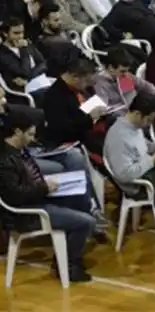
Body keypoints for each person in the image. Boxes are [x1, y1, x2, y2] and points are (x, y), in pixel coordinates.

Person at [0, 112, 96, 282]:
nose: (32, 139)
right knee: (86, 222)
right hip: (27, 213)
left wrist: (45, 186)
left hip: (36, 199)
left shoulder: (19, 151)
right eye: (29, 134)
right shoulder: (5, 160)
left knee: (79, 198)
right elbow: (16, 196)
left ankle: (66, 257)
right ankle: (68, 264)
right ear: (17, 132)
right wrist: (44, 188)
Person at [102, 93, 155, 197]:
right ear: (137, 114)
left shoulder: (134, 127)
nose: (150, 124)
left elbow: (140, 146)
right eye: (149, 120)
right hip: (137, 185)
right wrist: (152, 160)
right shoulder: (119, 138)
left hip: (145, 170)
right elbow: (124, 175)